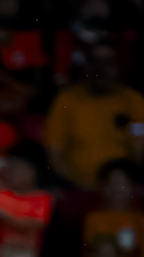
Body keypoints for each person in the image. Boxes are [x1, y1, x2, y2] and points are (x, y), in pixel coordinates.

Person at [44, 44, 144, 189]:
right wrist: (82, 186)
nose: (100, 70)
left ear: (119, 66)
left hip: (123, 190)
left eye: (108, 63)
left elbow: (140, 149)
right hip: (77, 188)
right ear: (86, 66)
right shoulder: (66, 99)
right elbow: (54, 154)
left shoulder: (133, 100)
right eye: (94, 62)